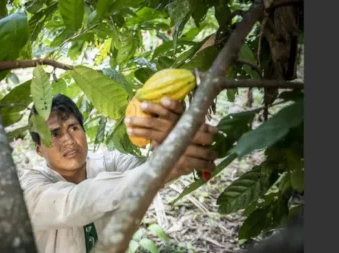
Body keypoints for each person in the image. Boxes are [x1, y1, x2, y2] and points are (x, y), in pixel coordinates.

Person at [19, 94, 218, 253]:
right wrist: (162, 166)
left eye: (73, 127)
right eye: (55, 133)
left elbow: (147, 170)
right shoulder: (31, 186)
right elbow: (75, 202)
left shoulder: (110, 162)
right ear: (38, 149)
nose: (69, 140)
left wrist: (174, 144)